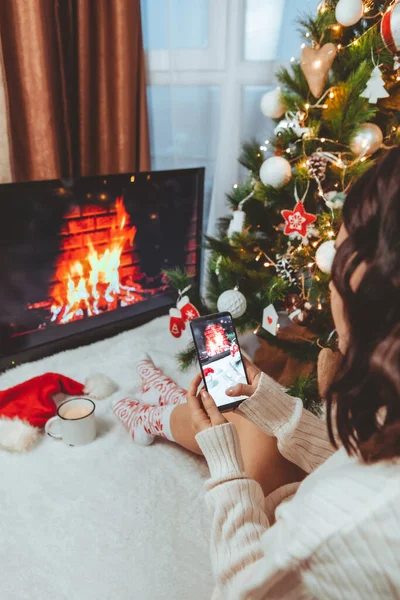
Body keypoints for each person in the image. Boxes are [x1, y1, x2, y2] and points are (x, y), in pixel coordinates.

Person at [112, 147, 400, 597]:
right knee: (245, 405)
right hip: (307, 487)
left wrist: (225, 469)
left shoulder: (341, 523)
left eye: (339, 257)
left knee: (240, 430)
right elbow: (353, 455)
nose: (329, 284)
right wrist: (269, 402)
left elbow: (239, 590)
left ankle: (158, 418)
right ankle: (168, 407)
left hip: (284, 522)